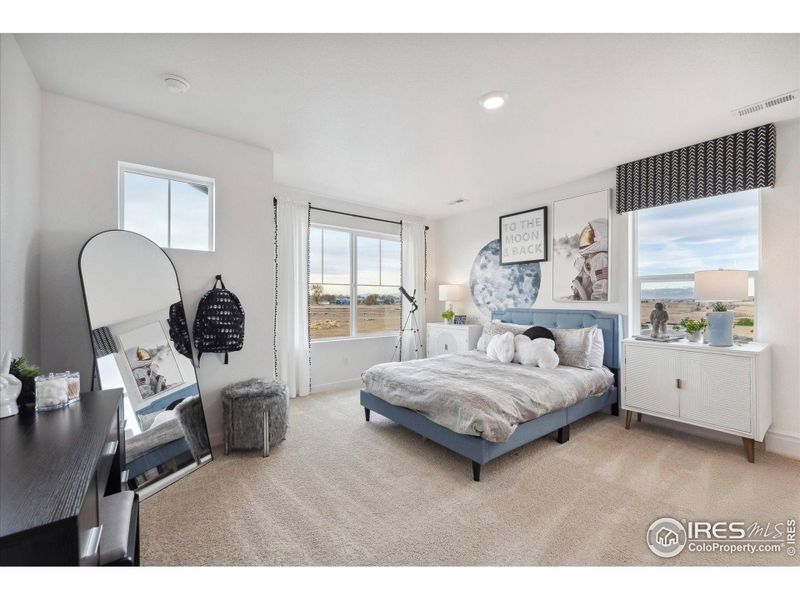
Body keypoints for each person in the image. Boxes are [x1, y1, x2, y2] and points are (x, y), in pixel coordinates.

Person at [570, 219, 609, 301]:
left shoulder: (601, 259)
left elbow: (602, 289)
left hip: (590, 305)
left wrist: (595, 305)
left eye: (590, 236)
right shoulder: (593, 258)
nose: (586, 239)